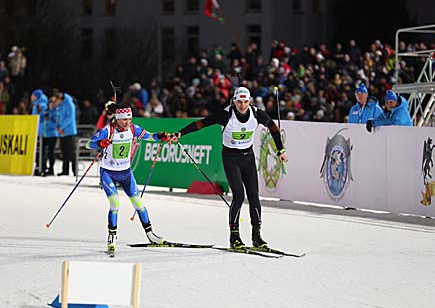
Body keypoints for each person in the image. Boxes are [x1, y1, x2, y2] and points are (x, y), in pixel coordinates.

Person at [169, 87, 288, 249]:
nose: (243, 105)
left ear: (250, 101)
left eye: (246, 102)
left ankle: (256, 235)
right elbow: (201, 123)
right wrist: (180, 134)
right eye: (239, 102)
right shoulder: (226, 115)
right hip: (231, 158)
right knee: (239, 195)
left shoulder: (256, 113)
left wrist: (281, 150)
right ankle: (234, 236)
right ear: (234, 101)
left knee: (254, 196)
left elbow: (273, 127)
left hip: (248, 158)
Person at [86, 103, 169, 253]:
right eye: (124, 119)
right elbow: (88, 144)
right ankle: (112, 237)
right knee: (115, 203)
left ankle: (150, 234)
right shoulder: (107, 130)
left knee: (138, 203)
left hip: (126, 173)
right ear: (117, 118)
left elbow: (150, 136)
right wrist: (100, 143)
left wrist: (160, 136)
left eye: (129, 119)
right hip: (108, 173)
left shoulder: (133, 129)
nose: (127, 122)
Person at [53, 90, 78, 176]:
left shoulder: (69, 105)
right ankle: (65, 170)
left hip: (69, 132)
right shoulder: (59, 106)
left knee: (71, 152)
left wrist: (61, 127)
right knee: (64, 152)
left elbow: (69, 118)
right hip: (62, 132)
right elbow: (57, 117)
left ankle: (75, 171)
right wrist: (57, 127)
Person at [31, 89, 49, 176]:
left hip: (41, 131)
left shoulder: (41, 105)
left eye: (33, 95)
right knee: (38, 150)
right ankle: (39, 166)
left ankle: (41, 167)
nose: (31, 97)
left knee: (41, 150)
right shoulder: (35, 105)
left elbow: (43, 116)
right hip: (36, 130)